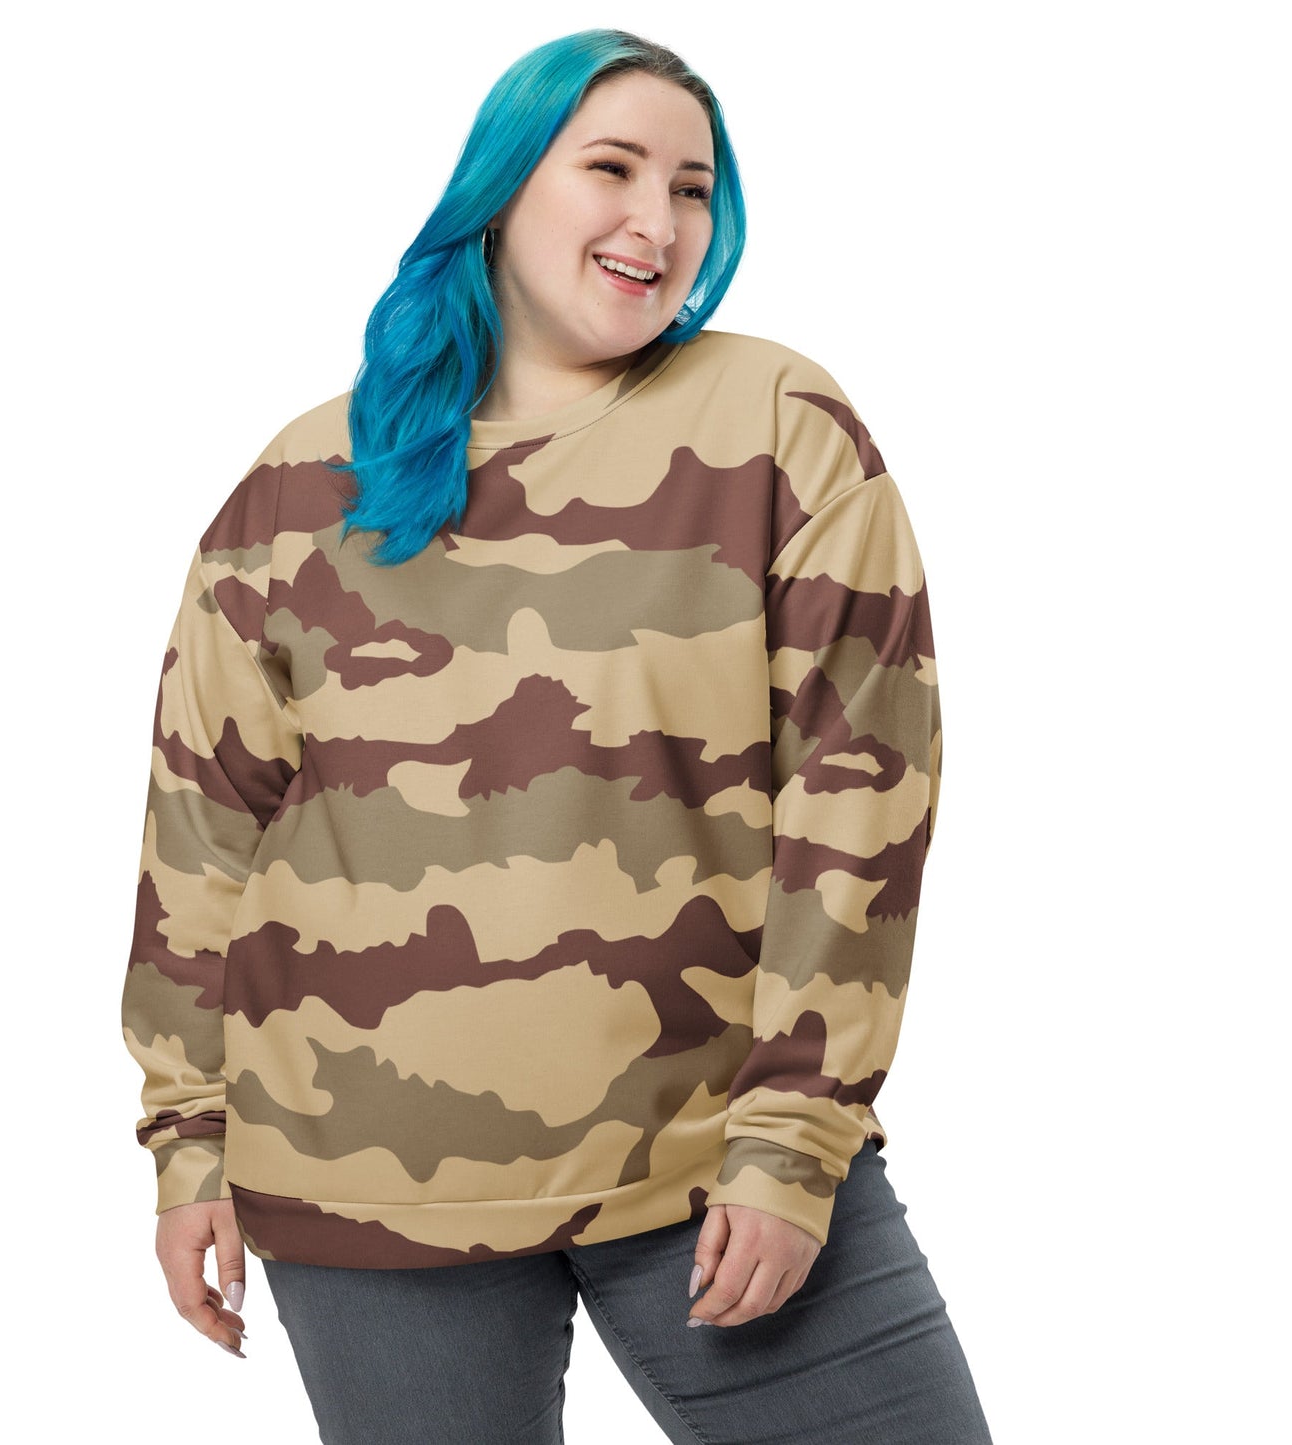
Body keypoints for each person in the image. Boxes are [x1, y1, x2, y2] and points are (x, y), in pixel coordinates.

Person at [122, 27, 993, 1444]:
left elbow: (859, 801)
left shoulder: (775, 424)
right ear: (503, 188)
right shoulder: (304, 479)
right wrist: (188, 1137)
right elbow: (205, 826)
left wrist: (793, 1138)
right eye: (613, 169)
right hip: (361, 1176)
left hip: (711, 1155)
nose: (660, 220)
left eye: (694, 188)